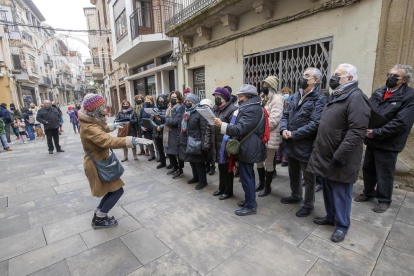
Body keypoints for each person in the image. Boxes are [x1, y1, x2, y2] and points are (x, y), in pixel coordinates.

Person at [309, 63, 370, 242]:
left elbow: (357, 131)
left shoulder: (356, 97)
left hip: (341, 157)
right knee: (328, 189)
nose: (333, 77)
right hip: (327, 154)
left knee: (341, 192)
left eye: (338, 74)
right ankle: (331, 217)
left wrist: (339, 154)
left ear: (350, 78)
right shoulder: (338, 95)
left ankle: (342, 226)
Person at [355, 64, 414, 213]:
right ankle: (368, 192)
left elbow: (401, 122)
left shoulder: (409, 96)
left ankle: (384, 199)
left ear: (405, 80)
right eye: (390, 74)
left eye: (395, 76)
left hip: (389, 142)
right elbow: (367, 110)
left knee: (385, 172)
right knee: (368, 168)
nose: (391, 78)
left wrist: (377, 132)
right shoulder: (379, 92)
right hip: (372, 139)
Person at [78, 93, 138, 229]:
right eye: (102, 106)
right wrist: (129, 140)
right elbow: (107, 140)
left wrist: (113, 126)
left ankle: (99, 214)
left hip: (100, 162)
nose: (104, 109)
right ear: (95, 109)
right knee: (117, 191)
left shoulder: (89, 120)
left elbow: (100, 129)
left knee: (113, 190)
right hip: (97, 165)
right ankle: (100, 218)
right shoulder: (89, 127)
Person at [279, 67, 327, 217]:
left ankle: (308, 204)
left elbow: (315, 123)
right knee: (293, 172)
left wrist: (294, 134)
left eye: (306, 76)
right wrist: (283, 129)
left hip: (305, 145)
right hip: (290, 142)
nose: (302, 78)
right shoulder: (295, 96)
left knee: (309, 177)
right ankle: (295, 195)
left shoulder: (320, 98)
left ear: (316, 80)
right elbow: (285, 114)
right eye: (302, 75)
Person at [214, 84, 266, 216]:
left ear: (249, 97)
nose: (239, 99)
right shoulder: (251, 107)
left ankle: (250, 206)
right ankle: (250, 200)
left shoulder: (251, 109)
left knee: (246, 177)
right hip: (248, 146)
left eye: (241, 96)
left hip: (249, 147)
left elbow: (241, 129)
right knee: (247, 175)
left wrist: (222, 124)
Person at [205, 87, 237, 200]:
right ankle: (221, 188)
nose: (216, 100)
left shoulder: (232, 109)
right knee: (220, 167)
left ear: (225, 98)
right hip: (216, 142)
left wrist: (221, 124)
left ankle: (228, 191)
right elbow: (209, 125)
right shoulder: (214, 109)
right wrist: (208, 141)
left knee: (227, 169)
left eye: (219, 97)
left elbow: (233, 128)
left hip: (226, 143)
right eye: (215, 97)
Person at [255, 76, 284, 197]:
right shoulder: (264, 98)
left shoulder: (277, 99)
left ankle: (267, 187)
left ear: (272, 87)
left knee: (269, 162)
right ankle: (261, 183)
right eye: (264, 84)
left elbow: (274, 119)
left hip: (270, 135)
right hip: (260, 134)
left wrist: (261, 129)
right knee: (258, 160)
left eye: (267, 85)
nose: (264, 87)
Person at [179, 93, 209, 190]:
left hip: (197, 141)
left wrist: (204, 143)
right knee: (192, 161)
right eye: (186, 101)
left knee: (199, 163)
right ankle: (195, 177)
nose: (187, 103)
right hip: (188, 140)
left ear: (195, 103)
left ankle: (203, 181)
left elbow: (204, 129)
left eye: (190, 102)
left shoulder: (200, 112)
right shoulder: (186, 112)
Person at [164, 91, 185, 178]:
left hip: (176, 132)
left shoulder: (180, 107)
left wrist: (166, 120)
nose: (173, 99)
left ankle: (180, 170)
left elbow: (177, 121)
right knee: (169, 152)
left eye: (175, 98)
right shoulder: (170, 107)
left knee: (177, 153)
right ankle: (174, 167)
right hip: (168, 132)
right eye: (172, 97)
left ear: (179, 99)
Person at [151, 94, 169, 169]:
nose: (160, 101)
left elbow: (168, 120)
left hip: (165, 131)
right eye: (159, 99)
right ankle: (163, 162)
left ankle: (172, 163)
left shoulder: (168, 109)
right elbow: (151, 120)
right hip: (156, 131)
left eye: (162, 99)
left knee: (168, 149)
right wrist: (156, 126)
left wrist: (161, 126)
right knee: (159, 148)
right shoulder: (155, 109)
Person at [277, 87, 293, 167]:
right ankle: (278, 158)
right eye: (283, 92)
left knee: (286, 143)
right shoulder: (280, 101)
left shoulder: (291, 101)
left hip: (288, 125)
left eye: (286, 93)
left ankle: (286, 160)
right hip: (281, 124)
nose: (284, 94)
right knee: (280, 143)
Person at [200, 98, 216, 176]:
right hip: (203, 136)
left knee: (211, 153)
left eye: (205, 106)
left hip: (210, 136)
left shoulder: (212, 114)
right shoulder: (200, 114)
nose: (204, 107)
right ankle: (207, 166)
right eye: (202, 106)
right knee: (205, 153)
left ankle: (212, 167)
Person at [139, 95, 156, 160]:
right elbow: (140, 119)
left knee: (156, 143)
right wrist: (141, 126)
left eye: (148, 100)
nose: (147, 101)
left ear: (152, 101)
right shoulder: (142, 109)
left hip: (153, 128)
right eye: (146, 100)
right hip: (146, 128)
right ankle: (152, 155)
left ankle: (159, 155)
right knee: (149, 142)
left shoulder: (154, 108)